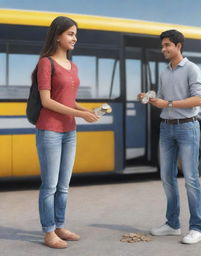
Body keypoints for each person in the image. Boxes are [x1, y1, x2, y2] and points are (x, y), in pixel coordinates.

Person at [33, 16, 99, 249]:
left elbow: (69, 99)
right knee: (49, 185)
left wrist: (86, 110)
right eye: (70, 34)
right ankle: (48, 231)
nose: (75, 38)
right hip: (49, 129)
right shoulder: (46, 63)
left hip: (69, 130)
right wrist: (81, 115)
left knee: (63, 185)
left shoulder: (73, 66)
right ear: (58, 35)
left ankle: (59, 225)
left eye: (75, 34)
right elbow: (47, 101)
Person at [138, 29, 201, 244]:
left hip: (187, 128)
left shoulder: (192, 69)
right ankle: (172, 224)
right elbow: (165, 99)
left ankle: (197, 228)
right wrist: (150, 98)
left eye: (167, 45)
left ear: (178, 46)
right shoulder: (164, 72)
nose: (163, 49)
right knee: (167, 178)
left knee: (191, 180)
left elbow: (198, 100)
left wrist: (167, 104)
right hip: (166, 128)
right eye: (162, 46)